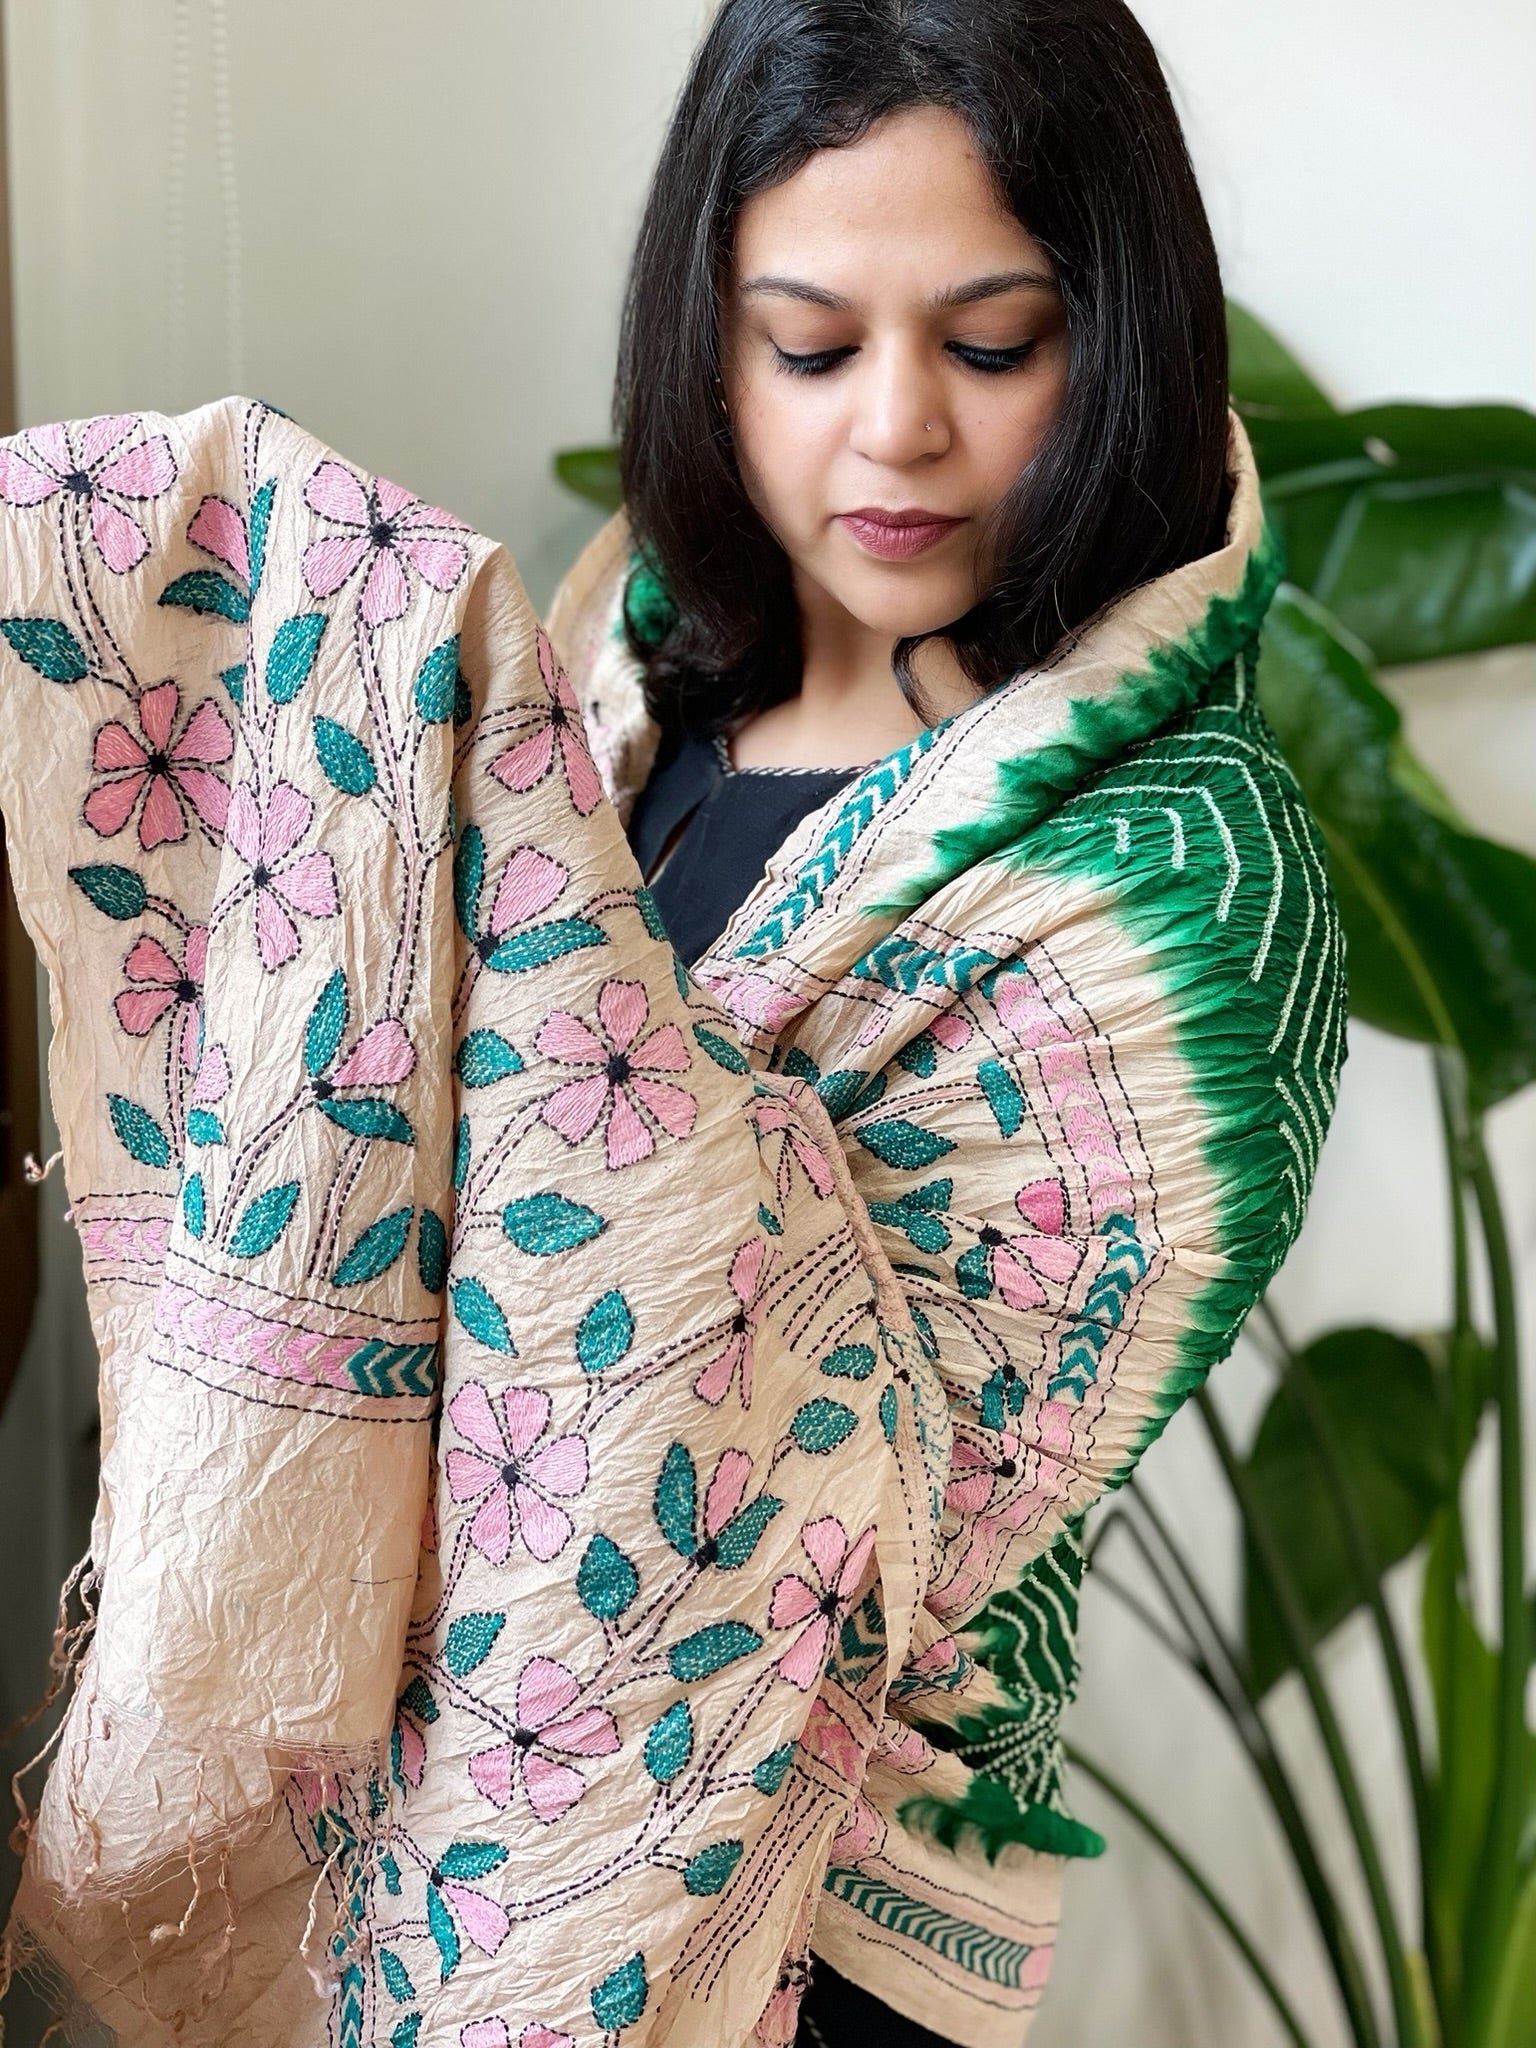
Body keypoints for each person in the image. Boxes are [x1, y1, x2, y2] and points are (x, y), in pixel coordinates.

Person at [0, 3, 1340, 2044]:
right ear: (702, 333)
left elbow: (817, 1468)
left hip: (827, 1920)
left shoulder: (1179, 890)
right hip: (418, 1830)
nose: (894, 427)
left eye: (993, 344)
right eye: (808, 345)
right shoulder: (627, 664)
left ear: (1126, 331)